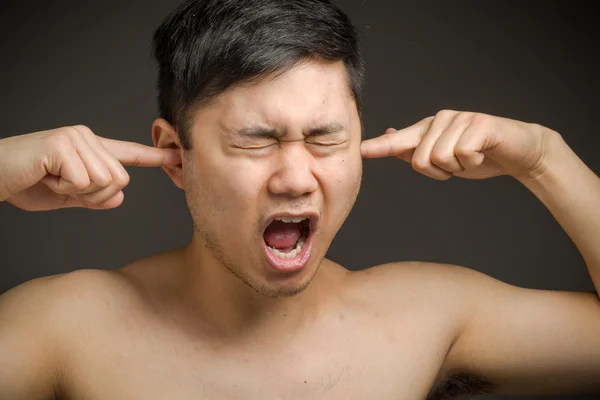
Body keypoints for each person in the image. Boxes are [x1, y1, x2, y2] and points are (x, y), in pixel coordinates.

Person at [1, 0, 599, 399]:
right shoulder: (67, 326)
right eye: (255, 142)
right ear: (175, 155)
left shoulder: (432, 316)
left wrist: (544, 158)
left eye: (324, 138)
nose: (295, 178)